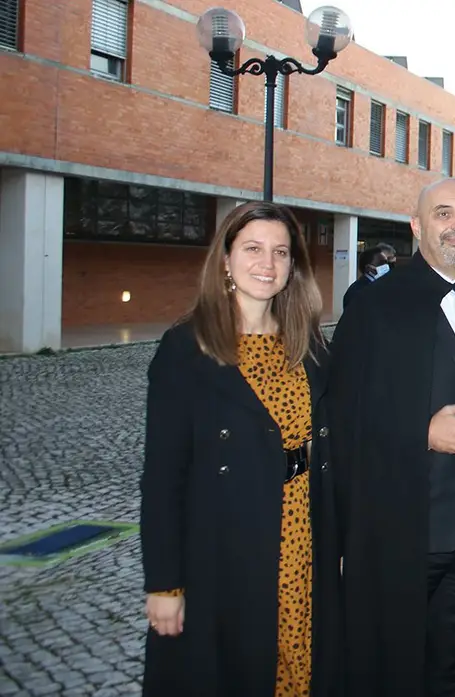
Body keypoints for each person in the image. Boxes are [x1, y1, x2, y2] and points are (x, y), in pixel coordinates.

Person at [328, 178, 455, 695]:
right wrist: (421, 432)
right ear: (416, 226)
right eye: (443, 213)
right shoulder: (374, 308)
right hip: (406, 527)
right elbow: (341, 415)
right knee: (394, 668)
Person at [141, 201, 341, 695]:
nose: (267, 264)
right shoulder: (186, 350)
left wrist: (341, 544)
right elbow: (164, 477)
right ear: (225, 259)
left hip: (303, 538)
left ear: (294, 266)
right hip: (225, 548)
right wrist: (165, 585)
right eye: (252, 249)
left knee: (302, 669)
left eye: (280, 252)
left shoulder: (310, 346)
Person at [342, 243, 397, 309]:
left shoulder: (384, 286)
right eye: (382, 263)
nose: (387, 266)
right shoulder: (357, 291)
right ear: (369, 268)